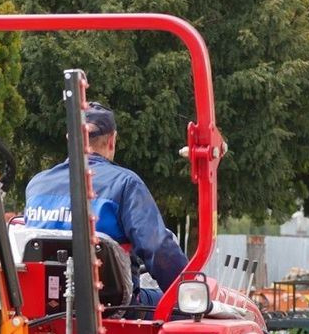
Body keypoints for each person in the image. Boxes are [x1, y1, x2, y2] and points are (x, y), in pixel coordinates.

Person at [23, 102, 188, 309]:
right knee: (182, 309)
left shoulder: (37, 185)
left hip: (45, 309)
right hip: (113, 309)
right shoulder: (126, 184)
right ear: (112, 140)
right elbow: (157, 248)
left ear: (69, 139)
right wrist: (190, 291)